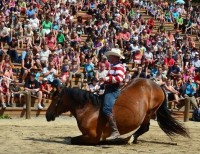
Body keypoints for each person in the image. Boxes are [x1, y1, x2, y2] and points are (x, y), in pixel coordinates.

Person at [100, 48, 126, 140]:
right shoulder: (114, 66)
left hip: (113, 90)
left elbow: (119, 78)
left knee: (107, 109)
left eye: (110, 56)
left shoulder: (119, 66)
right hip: (110, 88)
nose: (109, 57)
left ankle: (115, 131)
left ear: (115, 57)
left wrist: (106, 79)